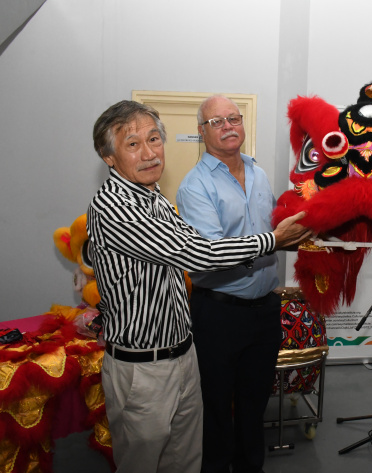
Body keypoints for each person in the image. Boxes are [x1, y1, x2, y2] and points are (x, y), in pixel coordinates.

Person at [88, 100, 310, 473]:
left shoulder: (153, 198)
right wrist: (272, 240)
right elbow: (198, 253)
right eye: (132, 144)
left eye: (155, 139)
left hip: (182, 355)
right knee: (144, 463)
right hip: (145, 368)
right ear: (108, 156)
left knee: (186, 461)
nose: (149, 153)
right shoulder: (116, 205)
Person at [175, 95, 286, 473]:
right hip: (219, 314)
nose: (228, 127)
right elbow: (212, 252)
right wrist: (276, 240)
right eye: (217, 122)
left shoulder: (259, 172)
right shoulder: (194, 186)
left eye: (233, 118)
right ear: (202, 131)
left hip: (266, 311)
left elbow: (272, 227)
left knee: (256, 405)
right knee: (217, 408)